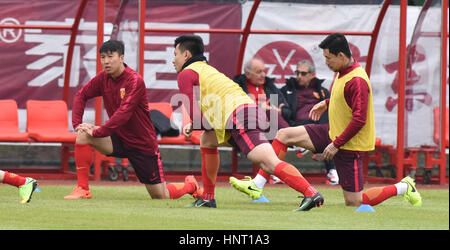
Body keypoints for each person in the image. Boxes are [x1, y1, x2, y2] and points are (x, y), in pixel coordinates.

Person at [231, 33, 422, 207]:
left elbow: (359, 119)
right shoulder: (343, 71)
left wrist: (336, 144)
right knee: (284, 134)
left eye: (328, 58)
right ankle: (257, 184)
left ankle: (404, 187)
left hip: (349, 144)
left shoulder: (357, 80)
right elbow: (346, 98)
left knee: (355, 201)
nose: (326, 62)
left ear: (341, 56)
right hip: (333, 132)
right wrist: (327, 102)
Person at [173, 34, 323, 211]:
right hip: (242, 112)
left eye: (175, 54)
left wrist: (193, 124)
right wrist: (198, 124)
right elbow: (209, 112)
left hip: (240, 115)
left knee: (268, 162)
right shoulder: (206, 69)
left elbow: (194, 113)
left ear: (186, 55)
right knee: (208, 139)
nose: (173, 60)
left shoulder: (186, 73)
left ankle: (311, 193)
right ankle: (207, 198)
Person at [64, 39, 201, 200]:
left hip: (142, 144)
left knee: (160, 196)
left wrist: (99, 131)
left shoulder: (134, 81)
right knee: (83, 135)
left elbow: (123, 113)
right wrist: (77, 125)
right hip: (117, 138)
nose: (106, 61)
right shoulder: (103, 78)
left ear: (121, 58)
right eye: (102, 57)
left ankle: (190, 185)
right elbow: (82, 95)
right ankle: (83, 189)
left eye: (110, 56)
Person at [281, 59, 338, 185]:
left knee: (329, 124)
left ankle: (332, 170)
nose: (298, 76)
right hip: (296, 126)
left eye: (303, 73)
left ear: (312, 75)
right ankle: (276, 170)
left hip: (319, 127)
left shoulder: (322, 91)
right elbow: (282, 111)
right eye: (297, 73)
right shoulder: (286, 89)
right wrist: (280, 110)